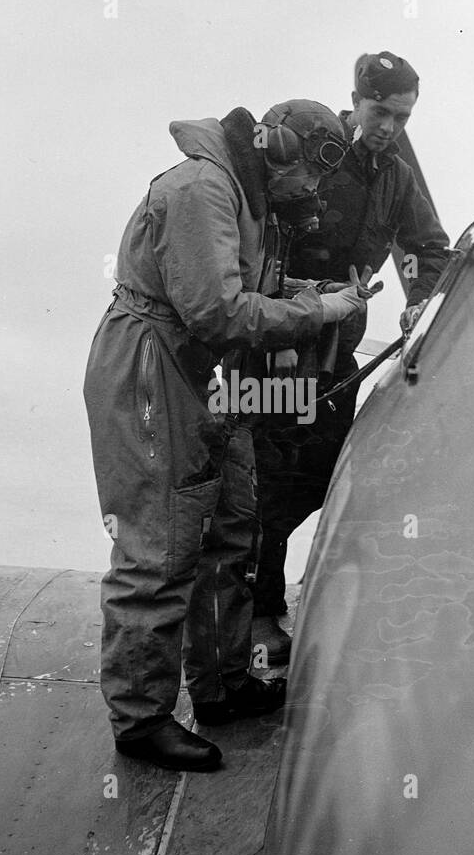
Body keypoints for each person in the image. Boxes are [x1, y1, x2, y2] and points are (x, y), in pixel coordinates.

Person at [83, 99, 368, 772]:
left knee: (232, 526)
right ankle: (140, 718)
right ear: (278, 150)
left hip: (201, 369)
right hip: (152, 366)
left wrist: (317, 290)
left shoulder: (251, 195)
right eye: (311, 180)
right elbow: (218, 310)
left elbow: (248, 282)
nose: (313, 196)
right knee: (160, 541)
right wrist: (317, 310)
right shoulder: (201, 190)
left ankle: (221, 683)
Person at [251, 52, 450, 662]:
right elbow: (262, 229)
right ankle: (257, 615)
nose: (389, 126)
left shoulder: (395, 176)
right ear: (356, 99)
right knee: (266, 479)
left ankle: (312, 605)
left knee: (323, 473)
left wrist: (419, 301)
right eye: (380, 111)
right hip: (276, 345)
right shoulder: (321, 149)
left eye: (402, 117)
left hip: (337, 353)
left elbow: (428, 247)